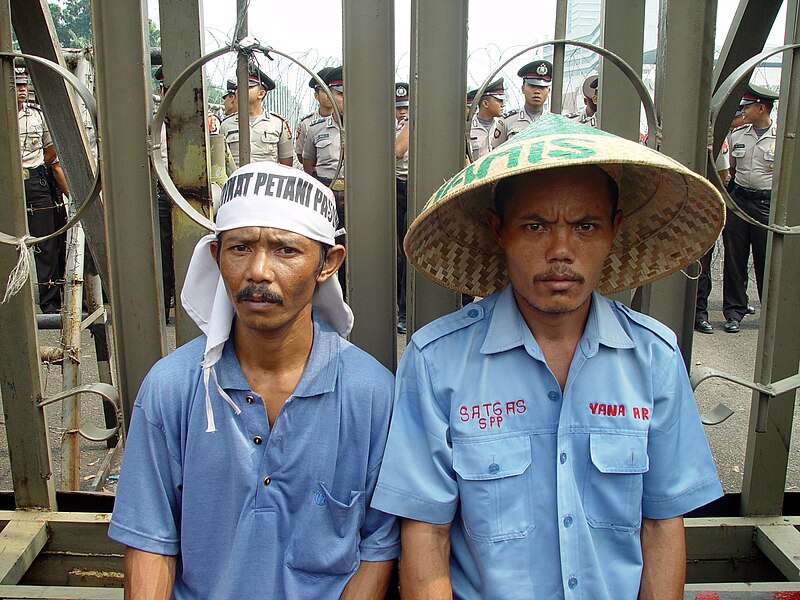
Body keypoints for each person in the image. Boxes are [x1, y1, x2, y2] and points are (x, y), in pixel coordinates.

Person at [372, 114, 725, 599]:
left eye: (585, 226)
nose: (561, 250)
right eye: (535, 225)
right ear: (499, 229)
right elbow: (425, 535)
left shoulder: (654, 357)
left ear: (614, 229)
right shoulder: (437, 362)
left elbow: (663, 525)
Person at [108, 161, 399, 598]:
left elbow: (378, 548)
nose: (258, 271)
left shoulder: (370, 393)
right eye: (240, 248)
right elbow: (151, 544)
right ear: (216, 256)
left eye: (286, 250)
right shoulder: (173, 388)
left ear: (328, 263)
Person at [721, 84, 778, 334]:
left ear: (762, 108)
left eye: (748, 106)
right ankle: (734, 311)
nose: (743, 110)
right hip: (740, 200)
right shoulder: (738, 135)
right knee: (734, 258)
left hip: (766, 203)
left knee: (767, 260)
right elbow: (731, 169)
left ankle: (770, 313)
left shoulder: (781, 134)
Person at [16, 66, 69, 314]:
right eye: (17, 85)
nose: (22, 90)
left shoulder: (37, 116)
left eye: (24, 85)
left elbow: (50, 152)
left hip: (35, 180)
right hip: (9, 182)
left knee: (45, 242)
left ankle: (49, 303)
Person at [303, 66, 347, 292]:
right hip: (327, 194)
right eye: (339, 92)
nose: (344, 98)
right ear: (329, 94)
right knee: (324, 249)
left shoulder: (370, 129)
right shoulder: (315, 129)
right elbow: (308, 166)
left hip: (357, 197)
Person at [221, 67, 293, 167]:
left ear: (261, 94)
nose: (240, 90)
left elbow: (286, 165)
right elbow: (220, 163)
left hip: (267, 181)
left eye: (248, 87)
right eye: (238, 88)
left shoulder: (278, 124)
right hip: (237, 181)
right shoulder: (226, 125)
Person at [493, 59, 552, 146]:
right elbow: (495, 154)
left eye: (542, 87)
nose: (537, 91)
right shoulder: (507, 121)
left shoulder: (552, 121)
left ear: (548, 91)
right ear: (523, 89)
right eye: (532, 86)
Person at [395, 82, 411, 334]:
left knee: (413, 248)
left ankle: (408, 309)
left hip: (419, 186)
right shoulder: (385, 125)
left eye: (406, 107)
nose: (401, 112)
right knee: (397, 252)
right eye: (398, 108)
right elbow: (398, 151)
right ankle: (399, 309)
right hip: (395, 188)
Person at [295, 67, 335, 164]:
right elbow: (301, 156)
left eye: (333, 91)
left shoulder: (348, 122)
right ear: (316, 95)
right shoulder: (307, 123)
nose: (330, 95)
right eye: (325, 91)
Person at [467, 78, 504, 160]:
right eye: (499, 101)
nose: (503, 105)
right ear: (485, 103)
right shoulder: (468, 128)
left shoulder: (502, 126)